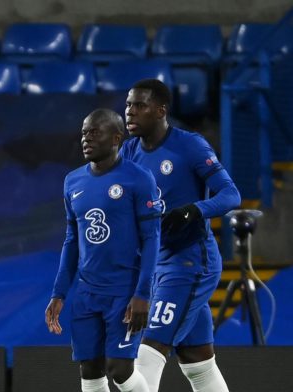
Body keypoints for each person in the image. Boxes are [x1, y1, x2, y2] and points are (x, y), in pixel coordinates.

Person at [122, 79, 241, 392]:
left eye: (139, 105)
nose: (130, 112)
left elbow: (231, 194)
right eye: (128, 105)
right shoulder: (129, 151)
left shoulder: (190, 145)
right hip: (157, 267)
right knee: (199, 365)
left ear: (161, 110)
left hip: (190, 263)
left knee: (146, 355)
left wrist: (195, 210)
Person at [46, 109, 161, 392]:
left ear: (116, 138)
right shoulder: (72, 181)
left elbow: (152, 239)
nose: (86, 138)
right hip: (87, 292)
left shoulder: (138, 178)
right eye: (84, 133)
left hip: (124, 290)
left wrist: (142, 294)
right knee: (90, 369)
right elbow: (72, 240)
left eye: (95, 132)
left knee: (119, 370)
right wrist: (59, 293)